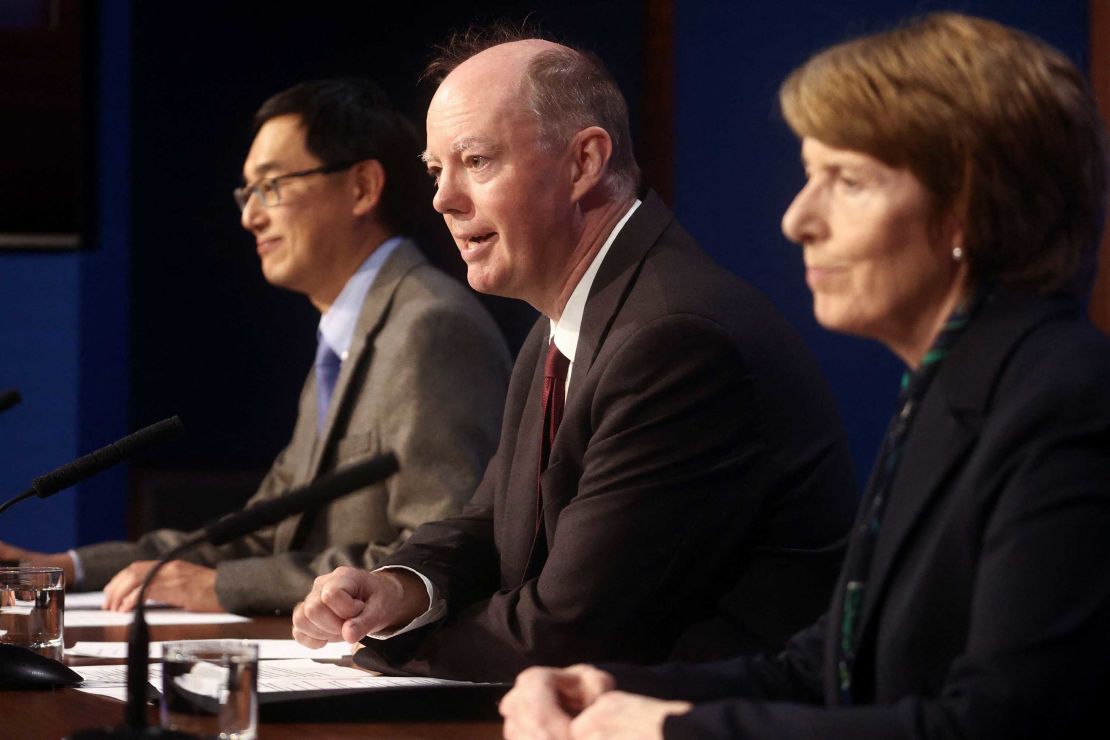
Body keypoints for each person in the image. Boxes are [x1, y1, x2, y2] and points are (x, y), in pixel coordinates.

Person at [498, 12, 1110, 739]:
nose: (796, 219)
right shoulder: (950, 394)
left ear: (964, 210)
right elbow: (831, 668)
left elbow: (994, 725)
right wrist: (607, 687)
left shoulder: (1067, 404)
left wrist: (672, 733)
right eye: (810, 175)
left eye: (847, 181)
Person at [290, 32, 858, 682]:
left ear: (584, 161)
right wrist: (401, 590)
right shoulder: (572, 315)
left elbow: (570, 631)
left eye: (475, 160)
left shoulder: (674, 340)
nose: (443, 199)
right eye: (434, 171)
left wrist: (376, 651)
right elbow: (492, 521)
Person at [0, 78, 511, 615]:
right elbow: (257, 536)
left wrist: (217, 588)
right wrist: (63, 567)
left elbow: (438, 551)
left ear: (362, 187)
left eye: (271, 186)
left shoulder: (428, 327)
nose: (250, 217)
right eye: (248, 194)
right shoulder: (346, 338)